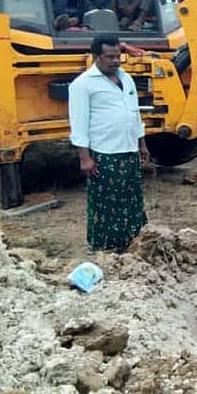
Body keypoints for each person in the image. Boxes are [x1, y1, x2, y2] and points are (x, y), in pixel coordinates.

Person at [68, 36, 148, 252]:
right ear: (96, 57)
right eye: (109, 57)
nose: (115, 61)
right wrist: (84, 157)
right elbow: (79, 123)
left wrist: (141, 143)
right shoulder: (83, 85)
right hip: (105, 153)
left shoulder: (127, 79)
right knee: (106, 203)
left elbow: (134, 113)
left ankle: (132, 242)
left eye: (118, 56)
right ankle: (104, 247)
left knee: (131, 199)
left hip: (129, 150)